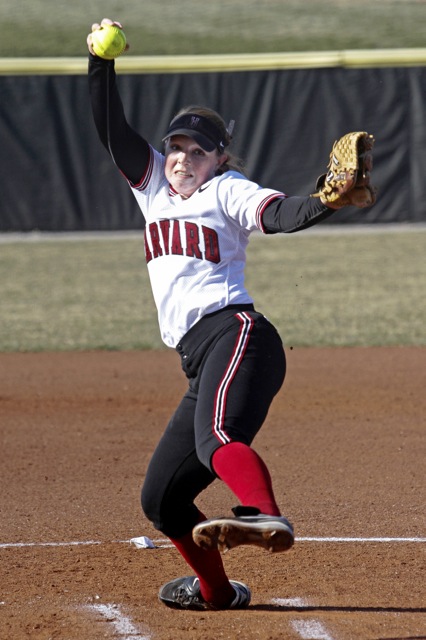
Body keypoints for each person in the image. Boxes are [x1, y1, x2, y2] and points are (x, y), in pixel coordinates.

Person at [87, 19, 369, 611]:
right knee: (162, 500)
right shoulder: (153, 193)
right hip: (200, 357)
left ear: (219, 158)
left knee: (219, 438)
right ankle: (217, 590)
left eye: (198, 150)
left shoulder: (227, 190)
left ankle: (264, 515)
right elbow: (112, 131)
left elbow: (279, 214)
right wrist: (100, 61)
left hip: (238, 336)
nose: (183, 157)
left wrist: (325, 199)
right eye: (176, 147)